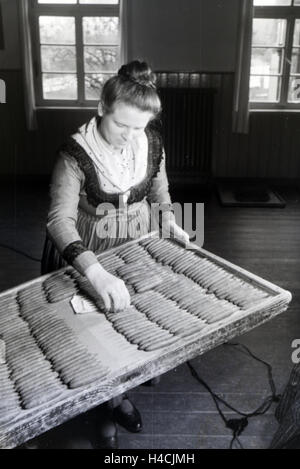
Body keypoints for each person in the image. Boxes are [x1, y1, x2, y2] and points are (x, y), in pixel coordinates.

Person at [41, 60, 189, 449]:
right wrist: (96, 273)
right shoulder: (75, 154)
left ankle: (118, 398)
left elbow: (159, 192)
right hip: (89, 247)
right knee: (91, 336)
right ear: (101, 109)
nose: (129, 135)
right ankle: (101, 409)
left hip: (135, 241)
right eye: (120, 124)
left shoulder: (150, 142)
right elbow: (59, 222)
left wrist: (169, 223)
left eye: (138, 127)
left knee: (126, 326)